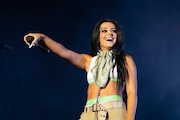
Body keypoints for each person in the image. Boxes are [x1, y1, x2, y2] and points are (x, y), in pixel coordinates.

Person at [23, 18, 137, 120]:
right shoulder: (89, 61)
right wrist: (42, 37)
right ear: (98, 36)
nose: (110, 33)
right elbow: (64, 52)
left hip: (114, 112)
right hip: (89, 113)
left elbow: (132, 93)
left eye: (113, 31)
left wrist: (130, 118)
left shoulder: (125, 60)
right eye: (104, 31)